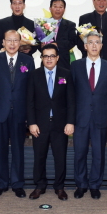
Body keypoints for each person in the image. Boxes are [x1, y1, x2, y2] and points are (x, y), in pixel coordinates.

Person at [0, 30, 34, 198]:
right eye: (9, 40)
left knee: (18, 150)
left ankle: (17, 184)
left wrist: (30, 114)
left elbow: (30, 90)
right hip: (0, 111)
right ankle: (1, 183)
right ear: (3, 42)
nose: (12, 44)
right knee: (0, 149)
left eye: (15, 40)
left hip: (20, 113)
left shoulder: (28, 61)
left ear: (20, 43)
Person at [71, 30, 107, 199]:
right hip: (80, 117)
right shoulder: (75, 66)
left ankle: (95, 185)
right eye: (90, 42)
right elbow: (71, 95)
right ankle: (81, 184)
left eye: (97, 42)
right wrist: (71, 119)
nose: (94, 45)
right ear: (85, 46)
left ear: (101, 46)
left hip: (100, 117)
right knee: (80, 153)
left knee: (98, 154)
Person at [26, 44, 75, 201]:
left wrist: (70, 122)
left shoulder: (66, 74)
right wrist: (31, 123)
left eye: (52, 56)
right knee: (39, 157)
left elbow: (71, 102)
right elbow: (30, 102)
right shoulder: (34, 75)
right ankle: (40, 185)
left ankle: (59, 187)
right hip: (39, 125)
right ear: (41, 58)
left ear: (57, 57)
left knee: (60, 157)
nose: (49, 59)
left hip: (60, 125)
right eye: (46, 56)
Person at [45, 0, 78, 70]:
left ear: (64, 9)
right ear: (50, 8)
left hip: (63, 62)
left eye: (61, 7)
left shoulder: (70, 25)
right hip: (46, 61)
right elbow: (38, 42)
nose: (57, 9)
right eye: (55, 6)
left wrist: (57, 44)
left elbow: (73, 41)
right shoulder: (43, 24)